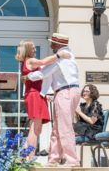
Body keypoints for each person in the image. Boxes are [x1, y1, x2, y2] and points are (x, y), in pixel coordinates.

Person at [24, 33, 80, 167]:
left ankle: (72, 161)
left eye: (52, 43)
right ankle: (53, 159)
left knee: (65, 127)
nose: (50, 45)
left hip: (65, 92)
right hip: (68, 91)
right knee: (57, 127)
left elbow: (44, 73)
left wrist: (28, 76)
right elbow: (50, 76)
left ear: (58, 44)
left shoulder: (62, 57)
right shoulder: (67, 55)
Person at [15, 39, 70, 159]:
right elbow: (44, 61)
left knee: (36, 128)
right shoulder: (31, 60)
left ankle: (25, 155)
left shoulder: (27, 61)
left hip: (36, 95)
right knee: (35, 128)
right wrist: (59, 55)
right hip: (34, 95)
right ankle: (30, 157)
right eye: (33, 47)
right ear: (28, 49)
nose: (35, 49)